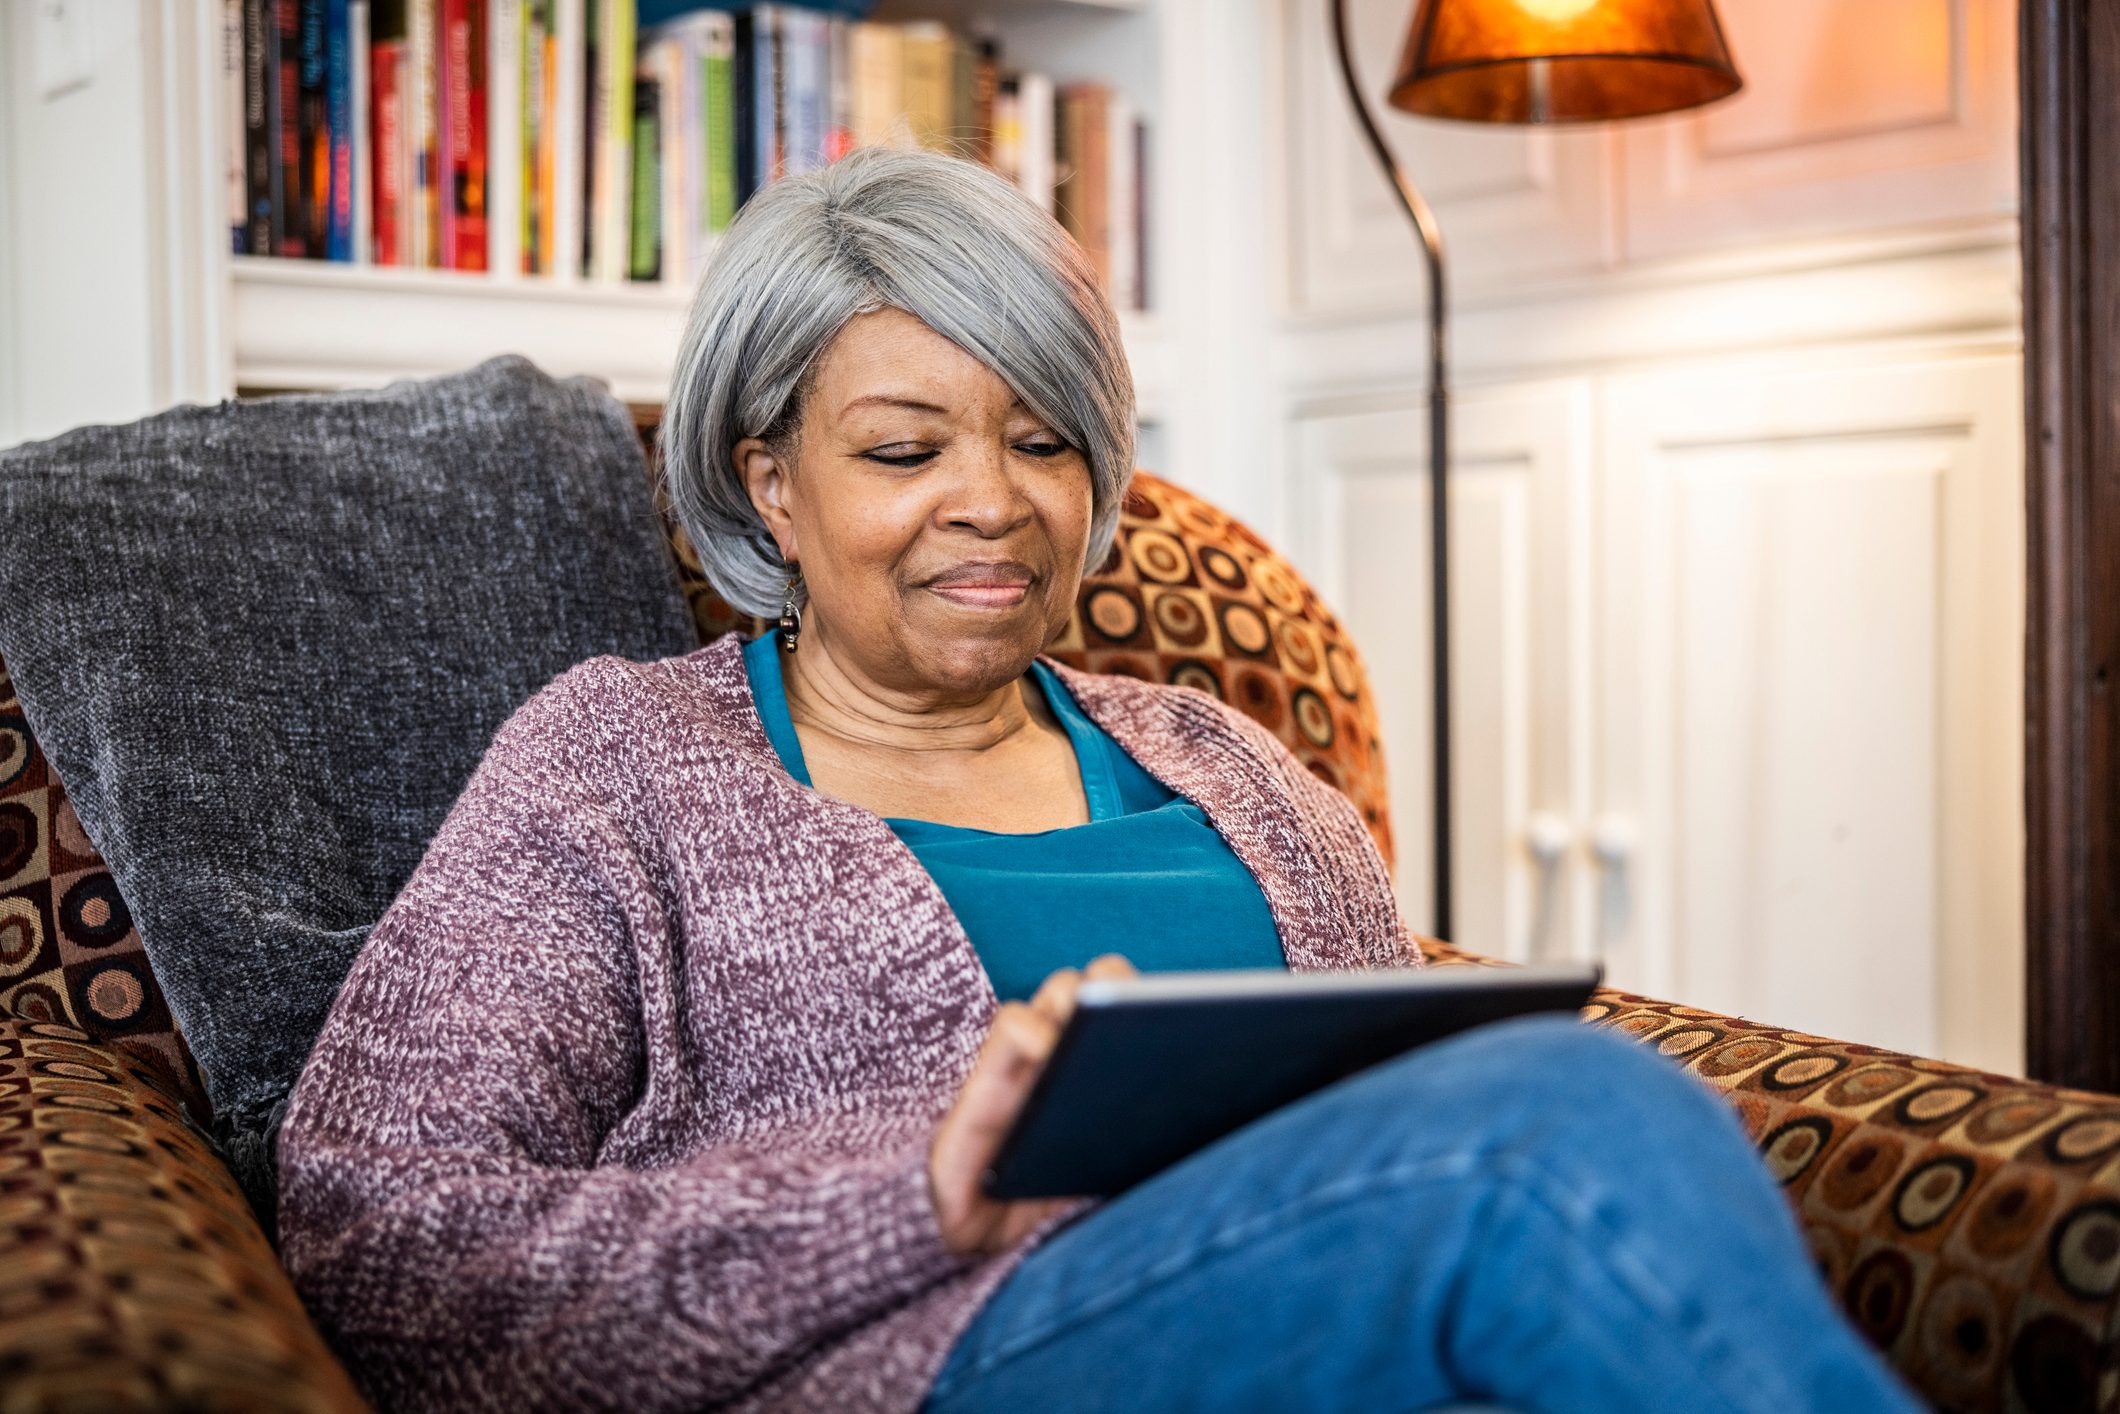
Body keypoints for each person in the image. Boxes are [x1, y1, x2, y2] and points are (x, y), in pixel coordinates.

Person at [274, 145, 1923, 1414]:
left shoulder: (1224, 758)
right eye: (906, 449)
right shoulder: (619, 763)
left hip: (1325, 1322)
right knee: (1553, 1128)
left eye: (1044, 439)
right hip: (941, 1362)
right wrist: (909, 1199)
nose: (993, 501)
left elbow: (1384, 1097)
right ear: (769, 482)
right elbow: (381, 1242)